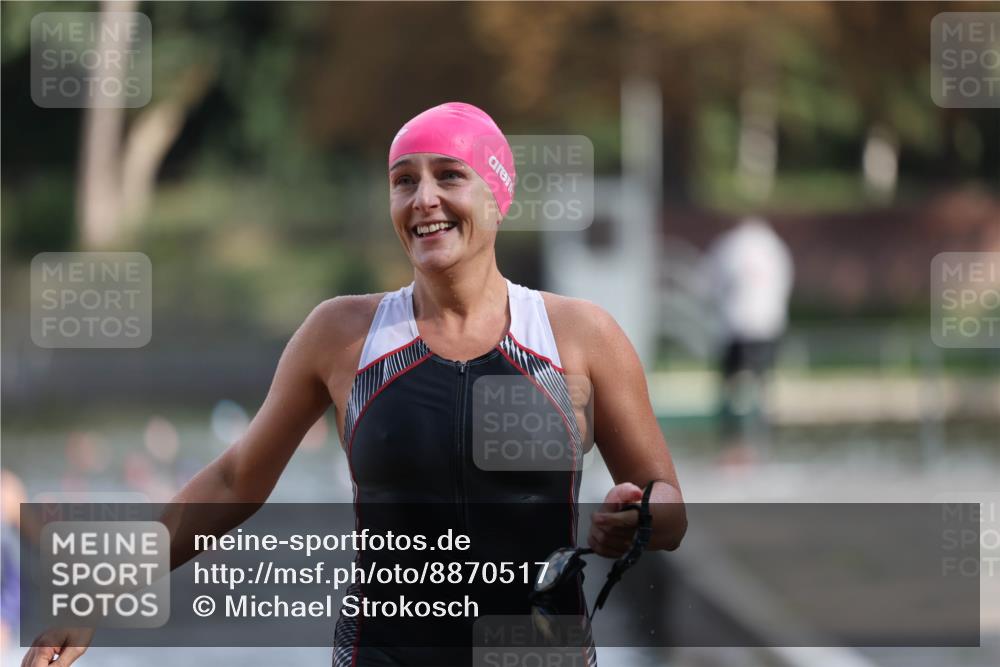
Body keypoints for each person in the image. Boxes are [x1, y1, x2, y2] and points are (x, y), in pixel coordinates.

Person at [22, 102, 686, 667]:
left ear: (498, 194)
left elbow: (670, 508)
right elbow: (233, 481)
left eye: (449, 175)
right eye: (404, 181)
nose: (424, 198)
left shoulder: (579, 337)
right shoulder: (343, 335)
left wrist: (639, 516)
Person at [704, 216, 794, 443]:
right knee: (763, 382)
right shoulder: (775, 247)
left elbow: (710, 283)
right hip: (766, 326)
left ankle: (734, 434)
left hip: (736, 326)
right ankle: (761, 430)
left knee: (732, 385)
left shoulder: (729, 246)